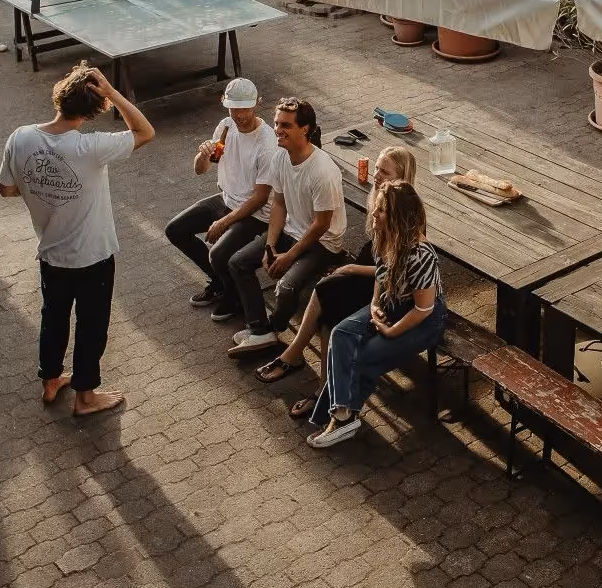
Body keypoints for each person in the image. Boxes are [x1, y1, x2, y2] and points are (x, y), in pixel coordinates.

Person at [0, 64, 155, 418]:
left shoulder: (20, 137)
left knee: (53, 317)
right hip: (91, 256)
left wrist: (41, 188)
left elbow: (6, 189)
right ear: (95, 109)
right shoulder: (91, 146)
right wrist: (113, 93)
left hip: (50, 254)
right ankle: (85, 397)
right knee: (91, 324)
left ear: (60, 95)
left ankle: (50, 379)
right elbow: (145, 131)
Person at [256, 145, 418, 402]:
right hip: (371, 268)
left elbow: (398, 269)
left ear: (402, 177)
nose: (376, 175)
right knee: (325, 291)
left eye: (384, 172)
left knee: (329, 307)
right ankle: (312, 372)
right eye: (376, 168)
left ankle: (318, 380)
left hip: (386, 282)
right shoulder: (380, 199)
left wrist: (351, 268)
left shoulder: (407, 214)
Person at [303, 179, 446, 448]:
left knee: (365, 356)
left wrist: (391, 331)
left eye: (381, 210)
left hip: (424, 319)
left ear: (397, 217)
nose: (374, 214)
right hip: (391, 302)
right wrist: (374, 304)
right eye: (376, 208)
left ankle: (339, 417)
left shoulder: (420, 255)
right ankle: (343, 415)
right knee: (341, 334)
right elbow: (381, 274)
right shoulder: (383, 237)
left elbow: (423, 308)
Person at [220, 97, 346, 357]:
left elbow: (321, 225)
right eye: (277, 123)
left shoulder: (323, 171)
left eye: (285, 125)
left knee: (285, 288)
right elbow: (278, 204)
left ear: (305, 129)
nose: (277, 130)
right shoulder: (280, 157)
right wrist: (270, 246)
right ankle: (259, 329)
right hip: (292, 230)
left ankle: (272, 329)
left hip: (323, 243)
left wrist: (289, 256)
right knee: (238, 262)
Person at [162, 77, 278, 313]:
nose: (239, 115)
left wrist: (223, 222)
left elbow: (260, 198)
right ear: (224, 103)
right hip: (227, 198)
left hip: (256, 213)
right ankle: (222, 284)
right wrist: (204, 154)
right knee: (175, 230)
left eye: (245, 108)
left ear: (257, 103)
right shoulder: (225, 126)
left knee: (218, 254)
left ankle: (235, 298)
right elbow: (201, 169)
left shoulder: (267, 143)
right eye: (234, 108)